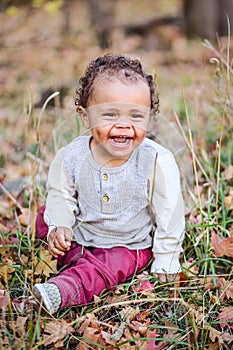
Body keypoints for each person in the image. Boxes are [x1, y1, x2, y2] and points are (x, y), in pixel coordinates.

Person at [34, 53, 185, 314]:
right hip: (81, 233)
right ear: (86, 117)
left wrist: (167, 260)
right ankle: (71, 253)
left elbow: (169, 215)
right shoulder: (71, 156)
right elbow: (61, 194)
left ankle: (67, 287)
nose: (124, 125)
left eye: (136, 116)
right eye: (110, 114)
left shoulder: (156, 160)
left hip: (128, 245)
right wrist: (59, 225)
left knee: (110, 266)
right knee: (45, 215)